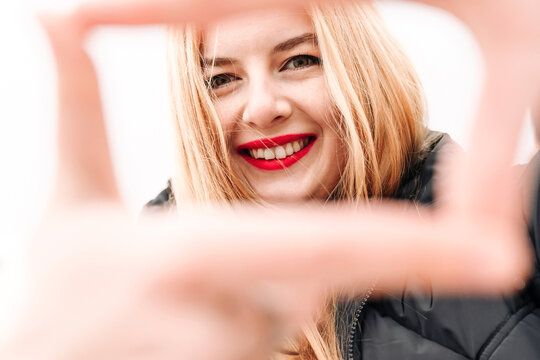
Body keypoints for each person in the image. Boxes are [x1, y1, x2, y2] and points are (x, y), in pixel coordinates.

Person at [0, 0, 538, 359]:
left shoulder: (512, 223)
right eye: (222, 79)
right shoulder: (151, 299)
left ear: (362, 71)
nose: (261, 107)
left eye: (299, 60)